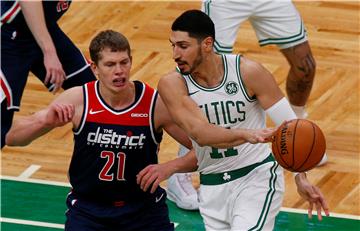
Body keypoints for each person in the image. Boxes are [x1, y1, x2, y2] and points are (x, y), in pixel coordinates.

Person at [5, 29, 273, 231]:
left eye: (124, 63)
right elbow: (11, 138)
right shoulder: (78, 100)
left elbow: (207, 148)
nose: (119, 72)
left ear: (132, 61)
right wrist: (46, 122)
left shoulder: (154, 104)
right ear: (95, 68)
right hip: (88, 212)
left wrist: (170, 167)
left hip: (143, 213)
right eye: (110, 65)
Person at [137, 10, 329, 230]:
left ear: (207, 44)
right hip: (211, 186)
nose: (175, 54)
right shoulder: (172, 84)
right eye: (172, 45)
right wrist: (247, 134)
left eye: (183, 46)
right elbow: (201, 134)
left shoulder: (248, 72)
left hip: (256, 178)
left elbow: (292, 126)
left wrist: (300, 177)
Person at [1, 0, 96, 148]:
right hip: (7, 36)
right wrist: (49, 52)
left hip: (44, 27)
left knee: (95, 95)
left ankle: (94, 164)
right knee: (1, 122)